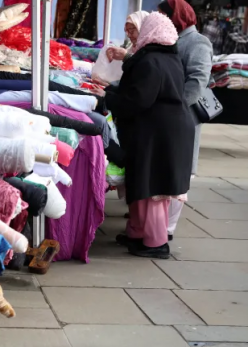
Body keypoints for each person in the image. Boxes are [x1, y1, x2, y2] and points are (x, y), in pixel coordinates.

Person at [90, 12, 195, 259]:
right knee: (141, 184)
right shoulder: (166, 58)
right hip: (159, 131)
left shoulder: (152, 62)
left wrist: (107, 98)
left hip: (159, 134)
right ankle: (137, 233)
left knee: (153, 189)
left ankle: (156, 243)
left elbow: (138, 100)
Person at [158, 0, 213, 241]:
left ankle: (167, 229)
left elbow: (197, 81)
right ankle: (156, 223)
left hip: (182, 116)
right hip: (168, 114)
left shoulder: (198, 42)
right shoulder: (172, 38)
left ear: (176, 16)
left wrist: (175, 107)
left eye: (163, 15)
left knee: (179, 171)